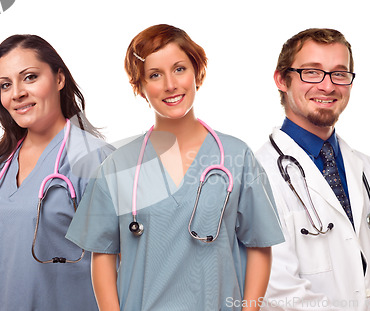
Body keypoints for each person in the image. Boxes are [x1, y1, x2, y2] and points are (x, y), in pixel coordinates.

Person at [66, 24, 284, 311]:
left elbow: (259, 245)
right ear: (141, 88)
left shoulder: (236, 156)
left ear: (198, 73)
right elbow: (103, 256)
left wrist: (249, 309)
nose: (170, 84)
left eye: (179, 69)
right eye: (155, 75)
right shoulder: (117, 167)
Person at [255, 28, 370, 310]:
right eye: (311, 72)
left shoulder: (366, 169)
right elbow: (277, 289)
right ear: (281, 80)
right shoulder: (257, 176)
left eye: (339, 73)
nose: (328, 86)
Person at [0, 34, 114, 311]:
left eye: (29, 77)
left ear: (59, 79)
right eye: (6, 85)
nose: (17, 92)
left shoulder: (95, 160)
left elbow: (127, 263)